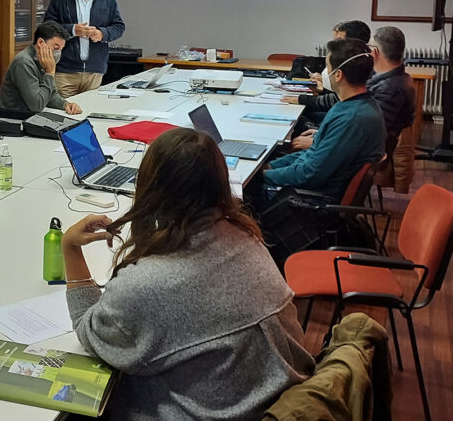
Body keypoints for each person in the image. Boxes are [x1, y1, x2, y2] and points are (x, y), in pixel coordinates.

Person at [62, 128, 313, 419]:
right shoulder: (247, 240)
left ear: (150, 189)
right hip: (270, 402)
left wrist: (70, 248)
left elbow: (88, 329)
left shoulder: (146, 285)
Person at [260, 38, 386, 203]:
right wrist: (270, 167)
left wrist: (264, 174)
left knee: (242, 190)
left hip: (313, 202)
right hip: (315, 188)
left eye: (328, 67)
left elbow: (310, 173)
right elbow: (311, 155)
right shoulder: (356, 105)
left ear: (339, 75)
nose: (325, 73)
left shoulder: (352, 118)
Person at [291, 26, 415, 154]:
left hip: (349, 155)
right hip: (342, 141)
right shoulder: (387, 77)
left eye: (370, 47)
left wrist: (317, 141)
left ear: (375, 52)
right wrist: (321, 134)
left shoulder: (390, 88)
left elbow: (366, 135)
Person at [43, 0, 125, 98]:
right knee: (64, 113)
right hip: (65, 72)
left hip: (95, 71)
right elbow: (47, 28)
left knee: (89, 112)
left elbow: (119, 27)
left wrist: (102, 33)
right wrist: (73, 30)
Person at [284, 20, 372, 125]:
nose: (336, 46)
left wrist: (315, 137)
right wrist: (323, 90)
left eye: (339, 41)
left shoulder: (361, 68)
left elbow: (341, 100)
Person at [0, 21, 82, 115]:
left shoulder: (41, 60)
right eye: (56, 47)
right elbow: (37, 105)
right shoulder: (24, 62)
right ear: (41, 42)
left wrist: (65, 104)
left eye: (61, 49)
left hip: (26, 116)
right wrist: (50, 72)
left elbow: (50, 95)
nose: (58, 53)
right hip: (10, 119)